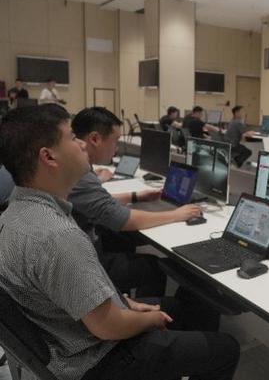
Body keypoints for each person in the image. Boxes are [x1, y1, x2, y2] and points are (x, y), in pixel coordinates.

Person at [0, 104, 240, 380]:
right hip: (96, 359)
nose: (82, 144)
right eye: (72, 137)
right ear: (49, 156)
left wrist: (123, 302)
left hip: (65, 338)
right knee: (226, 348)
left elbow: (64, 291)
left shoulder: (16, 213)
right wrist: (149, 319)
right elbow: (108, 327)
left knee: (181, 308)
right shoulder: (57, 235)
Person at [68, 107, 202, 298]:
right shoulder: (80, 173)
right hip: (87, 266)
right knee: (152, 266)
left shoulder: (78, 167)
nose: (116, 148)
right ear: (95, 139)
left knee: (125, 239)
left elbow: (96, 201)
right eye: (115, 141)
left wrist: (136, 196)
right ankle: (140, 312)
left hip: (81, 251)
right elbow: (123, 219)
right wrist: (176, 215)